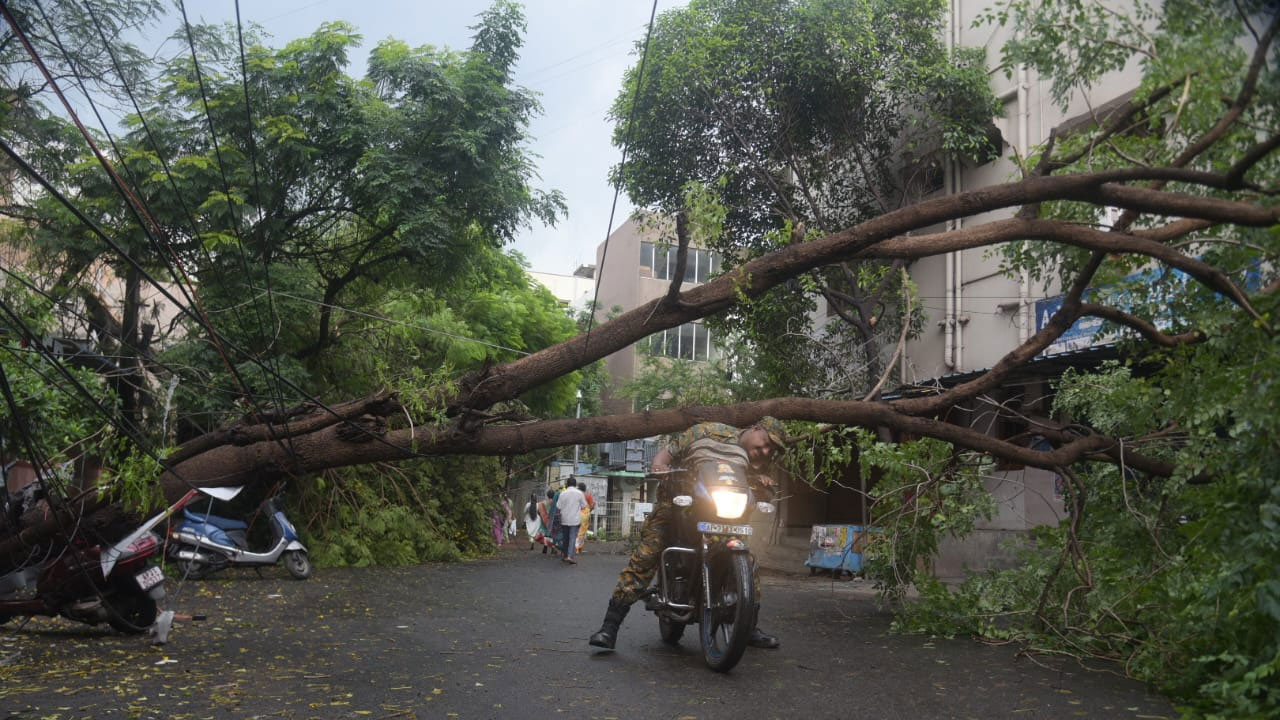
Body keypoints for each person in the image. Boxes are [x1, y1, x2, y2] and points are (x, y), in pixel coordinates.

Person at [588, 417, 787, 651]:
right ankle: (610, 626)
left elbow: (746, 483)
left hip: (721, 513)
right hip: (679, 503)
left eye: (770, 450)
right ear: (755, 428)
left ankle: (747, 626)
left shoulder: (749, 464)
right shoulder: (711, 430)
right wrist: (659, 466)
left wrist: (762, 482)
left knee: (748, 563)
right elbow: (669, 452)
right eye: (764, 442)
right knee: (648, 553)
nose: (764, 451)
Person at [555, 480, 588, 564]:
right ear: (575, 484)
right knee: (572, 537)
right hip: (575, 519)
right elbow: (584, 505)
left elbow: (558, 506)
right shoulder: (579, 493)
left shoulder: (563, 493)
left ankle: (565, 555)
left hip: (564, 519)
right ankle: (570, 556)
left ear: (567, 484)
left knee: (565, 538)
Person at [576, 481, 595, 554]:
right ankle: (579, 548)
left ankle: (576, 548)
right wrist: (590, 509)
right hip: (585, 514)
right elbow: (592, 505)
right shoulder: (588, 495)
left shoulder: (576, 495)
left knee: (576, 531)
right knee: (582, 531)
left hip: (576, 513)